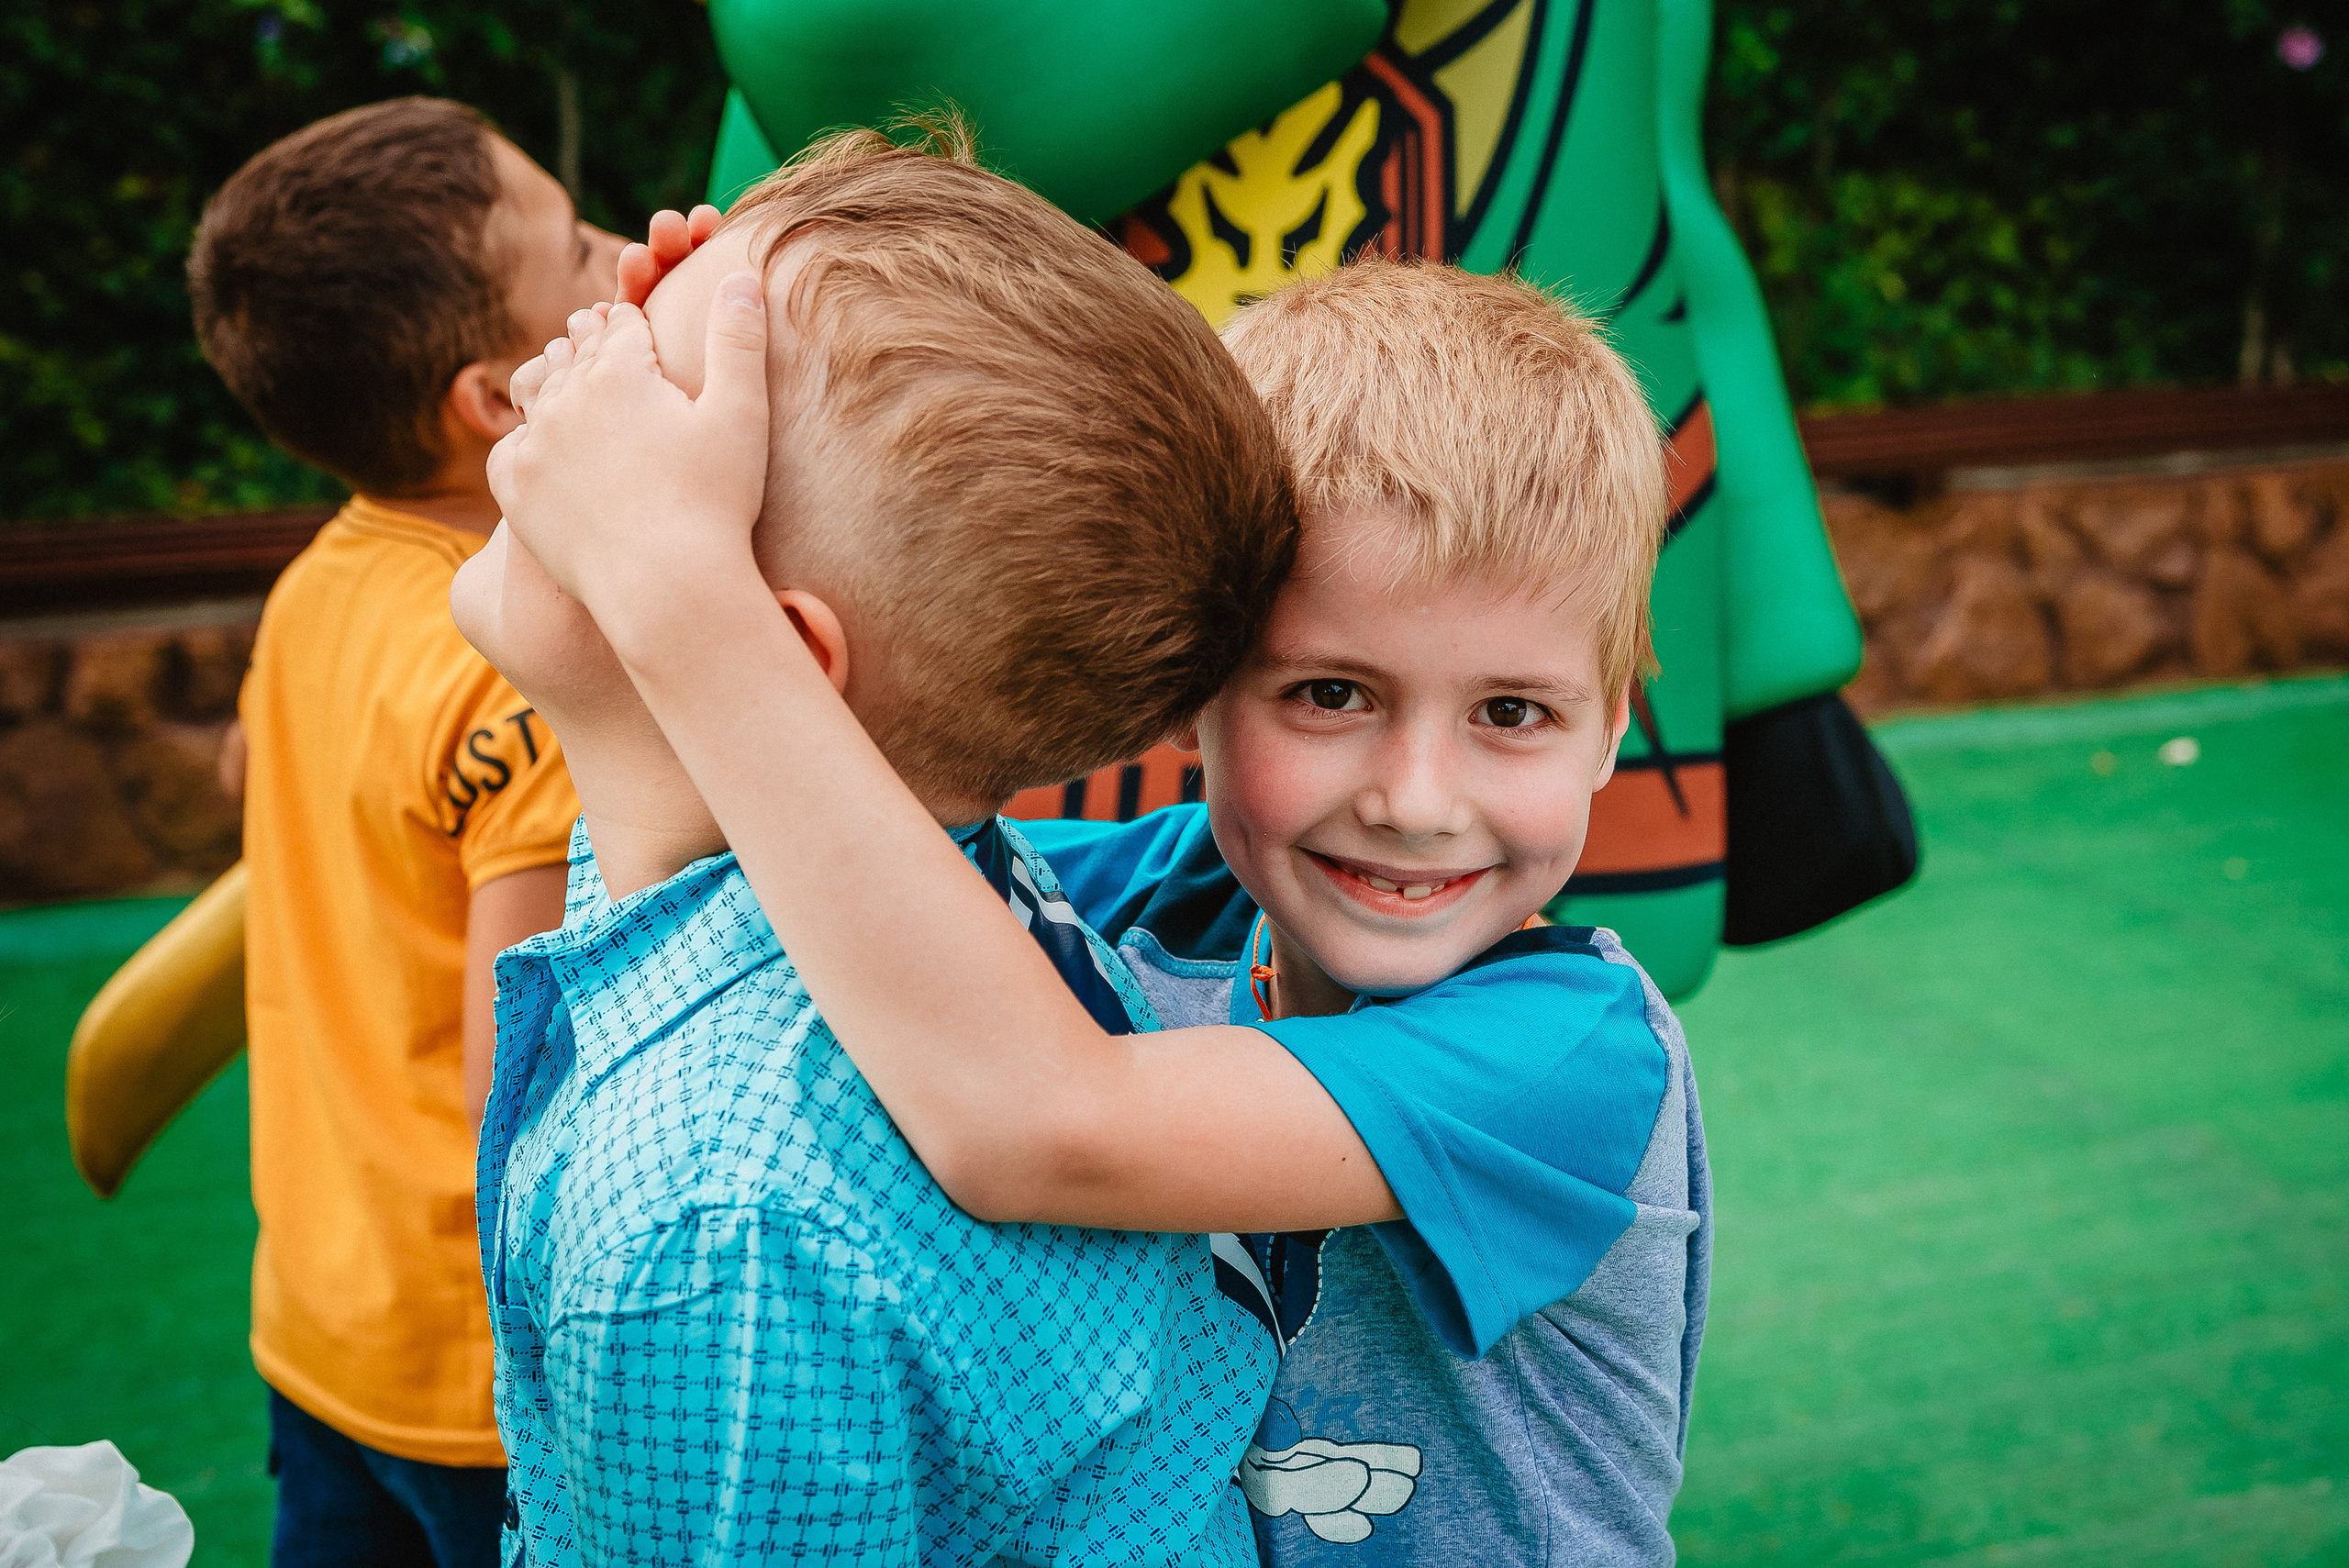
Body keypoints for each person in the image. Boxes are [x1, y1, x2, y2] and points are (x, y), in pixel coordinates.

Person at [502, 251, 1709, 1564]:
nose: (1417, 798)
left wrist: (675, 582)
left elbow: (1039, 1118)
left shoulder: (1573, 1053)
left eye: (1512, 713)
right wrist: (726, 326)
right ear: (1194, 693)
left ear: (1612, 730)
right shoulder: (1143, 898)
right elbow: (832, 835)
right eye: (1330, 695)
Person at [449, 122, 1297, 1564]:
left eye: (645, 391)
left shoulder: (718, 1228)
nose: (568, 360)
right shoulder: (916, 898)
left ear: (753, 645)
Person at [185, 97, 624, 1568]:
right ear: (495, 399)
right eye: (580, 247)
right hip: (473, 1371)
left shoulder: (320, 583)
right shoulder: (526, 674)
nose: (626, 251)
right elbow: (529, 1059)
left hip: (318, 1316)